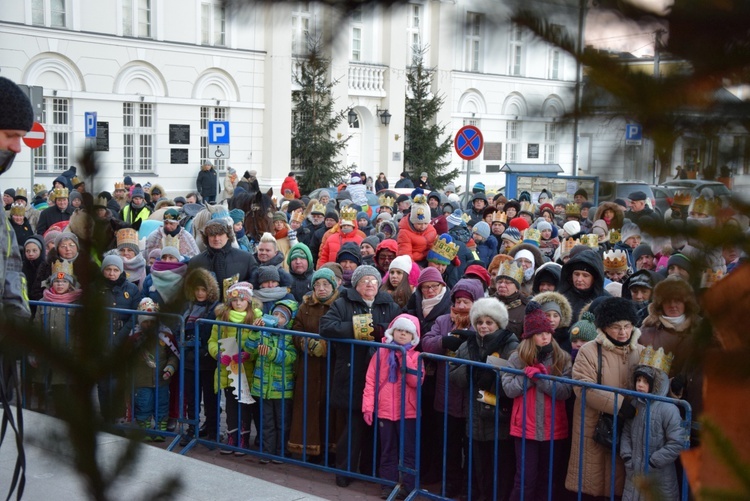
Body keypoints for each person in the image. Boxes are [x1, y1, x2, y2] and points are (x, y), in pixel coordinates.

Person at [319, 265, 401, 487]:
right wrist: (358, 328)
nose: (369, 285)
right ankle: (344, 472)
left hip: (382, 376)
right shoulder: (343, 303)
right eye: (364, 281)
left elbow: (401, 329)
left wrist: (380, 330)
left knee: (378, 426)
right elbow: (326, 327)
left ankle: (370, 470)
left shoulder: (389, 304)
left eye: (373, 281)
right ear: (356, 284)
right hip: (352, 372)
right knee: (353, 426)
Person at [565, 297, 644, 498]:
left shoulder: (641, 351)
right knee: (595, 483)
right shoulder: (589, 350)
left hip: (629, 426)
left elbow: (655, 383)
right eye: (616, 327)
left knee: (621, 485)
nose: (623, 332)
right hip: (596, 425)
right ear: (604, 327)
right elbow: (584, 387)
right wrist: (620, 405)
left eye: (627, 326)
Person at [450, 297, 519, 501]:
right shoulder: (469, 344)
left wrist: (493, 377)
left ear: (498, 323)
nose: (483, 326)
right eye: (480, 322)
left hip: (499, 418)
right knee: (479, 466)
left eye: (489, 322)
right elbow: (453, 371)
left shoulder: (510, 343)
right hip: (474, 416)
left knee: (500, 468)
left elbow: (513, 377)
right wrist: (472, 373)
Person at [502, 301, 572, 501]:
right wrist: (528, 379)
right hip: (525, 428)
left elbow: (566, 391)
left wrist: (542, 380)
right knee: (525, 479)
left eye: (548, 333)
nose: (545, 337)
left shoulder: (562, 358)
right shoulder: (517, 358)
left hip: (554, 428)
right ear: (530, 336)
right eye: (540, 333)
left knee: (547, 479)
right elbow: (509, 389)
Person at [421, 278, 484, 497]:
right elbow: (427, 342)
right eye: (458, 300)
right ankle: (450, 484)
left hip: (471, 397)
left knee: (470, 446)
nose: (462, 306)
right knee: (448, 445)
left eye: (466, 301)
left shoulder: (483, 322)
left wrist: (473, 341)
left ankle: (469, 487)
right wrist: (444, 342)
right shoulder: (442, 321)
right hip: (445, 394)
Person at [362, 314, 424, 499]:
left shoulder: (417, 356)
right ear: (392, 331)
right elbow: (371, 380)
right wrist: (368, 406)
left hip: (408, 412)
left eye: (407, 332)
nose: (402, 334)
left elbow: (415, 381)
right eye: (399, 330)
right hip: (385, 410)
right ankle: (388, 485)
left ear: (413, 336)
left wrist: (405, 358)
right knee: (388, 450)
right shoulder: (381, 352)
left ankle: (409, 485)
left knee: (408, 452)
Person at [639, 275, 702, 437]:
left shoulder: (702, 332)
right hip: (657, 415)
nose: (673, 305)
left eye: (678, 300)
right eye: (668, 300)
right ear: (660, 303)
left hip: (695, 415)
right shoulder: (646, 333)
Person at [287, 268, 340, 459]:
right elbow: (296, 329)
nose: (321, 288)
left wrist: (326, 347)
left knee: (329, 408)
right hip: (308, 367)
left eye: (326, 284)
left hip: (331, 367)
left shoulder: (340, 305)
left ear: (333, 285)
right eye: (317, 285)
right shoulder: (305, 306)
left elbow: (342, 331)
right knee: (307, 406)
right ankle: (306, 448)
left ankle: (330, 451)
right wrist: (305, 343)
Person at [620, 348, 683, 501]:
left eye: (646, 381)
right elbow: (626, 432)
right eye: (638, 380)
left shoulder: (668, 409)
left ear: (656, 384)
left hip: (659, 475)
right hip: (634, 471)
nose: (640, 385)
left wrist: (654, 461)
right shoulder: (635, 404)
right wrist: (627, 456)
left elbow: (677, 442)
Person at [209, 282, 260, 454]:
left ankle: (243, 439)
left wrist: (249, 354)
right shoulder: (222, 318)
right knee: (231, 404)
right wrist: (217, 354)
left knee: (245, 405)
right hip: (228, 370)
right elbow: (212, 341)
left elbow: (260, 342)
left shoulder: (256, 319)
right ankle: (232, 436)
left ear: (249, 301)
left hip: (247, 370)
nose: (238, 303)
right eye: (235, 300)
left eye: (242, 300)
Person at [245, 299, 298, 463]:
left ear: (288, 320)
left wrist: (271, 352)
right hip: (263, 387)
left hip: (282, 388)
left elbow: (290, 357)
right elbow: (249, 347)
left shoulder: (289, 336)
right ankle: (267, 452)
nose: (277, 318)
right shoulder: (264, 331)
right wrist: (255, 330)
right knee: (266, 422)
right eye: (275, 314)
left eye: (281, 316)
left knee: (282, 423)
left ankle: (281, 452)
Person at [30, 259, 83, 415]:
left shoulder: (77, 303)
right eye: (57, 282)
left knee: (62, 384)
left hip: (68, 350)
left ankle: (64, 414)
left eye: (64, 282)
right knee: (42, 381)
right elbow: (37, 325)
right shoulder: (43, 301)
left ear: (70, 284)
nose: (60, 285)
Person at [128, 298, 179, 441]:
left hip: (162, 380)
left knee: (162, 404)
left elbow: (173, 355)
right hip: (141, 380)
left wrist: (170, 367)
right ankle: (144, 429)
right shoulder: (135, 337)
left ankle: (160, 430)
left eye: (152, 321)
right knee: (143, 404)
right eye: (146, 321)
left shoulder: (166, 335)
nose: (149, 325)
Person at [188, 219, 258, 299]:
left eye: (220, 234)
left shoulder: (246, 258)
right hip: (205, 310)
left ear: (228, 235)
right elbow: (189, 292)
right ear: (206, 237)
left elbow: (254, 287)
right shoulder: (196, 262)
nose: (216, 238)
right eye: (212, 234)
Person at [397, 195, 437, 264]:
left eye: (425, 223)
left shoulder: (431, 229)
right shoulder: (404, 232)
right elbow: (405, 255)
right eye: (419, 224)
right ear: (413, 221)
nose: (422, 226)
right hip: (413, 262)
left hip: (428, 260)